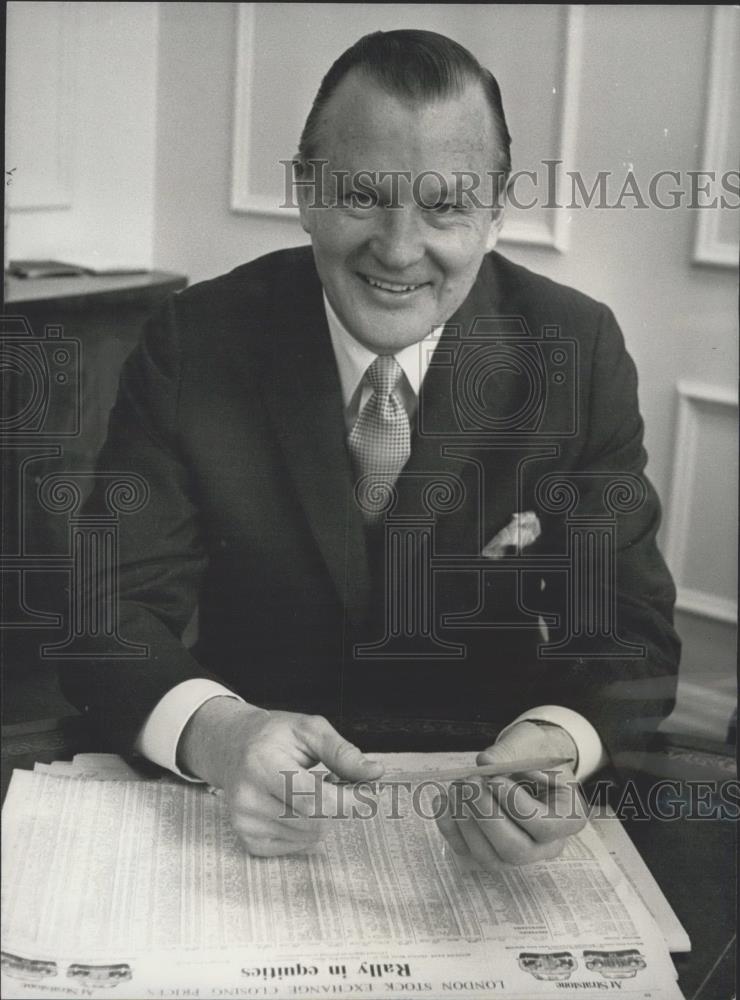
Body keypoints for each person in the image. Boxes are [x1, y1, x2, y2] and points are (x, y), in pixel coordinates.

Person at [61, 30, 679, 869]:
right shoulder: (195, 340)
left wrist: (558, 745)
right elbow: (109, 612)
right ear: (305, 192)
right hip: (238, 814)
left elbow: (629, 631)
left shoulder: (577, 347)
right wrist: (218, 734)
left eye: (446, 205)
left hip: (483, 824)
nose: (397, 248)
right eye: (361, 195)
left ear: (496, 216)